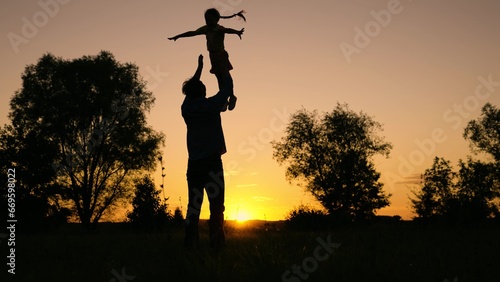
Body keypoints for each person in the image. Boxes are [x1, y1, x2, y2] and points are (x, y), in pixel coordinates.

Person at [181, 54, 233, 250]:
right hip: (212, 165)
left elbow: (191, 88)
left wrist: (200, 68)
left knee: (193, 209)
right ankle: (217, 248)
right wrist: (223, 66)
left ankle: (190, 247)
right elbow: (226, 87)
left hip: (193, 165)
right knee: (217, 208)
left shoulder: (186, 108)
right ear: (202, 91)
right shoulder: (212, 105)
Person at [169, 8, 245, 111]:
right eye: (206, 20)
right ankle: (223, 100)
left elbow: (227, 30)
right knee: (219, 78)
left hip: (221, 55)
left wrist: (237, 32)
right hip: (212, 56)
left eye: (210, 19)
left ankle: (232, 96)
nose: (208, 22)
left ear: (216, 20)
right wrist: (179, 36)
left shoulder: (219, 28)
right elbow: (193, 33)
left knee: (225, 75)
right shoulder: (206, 29)